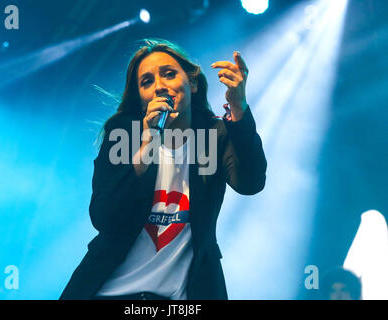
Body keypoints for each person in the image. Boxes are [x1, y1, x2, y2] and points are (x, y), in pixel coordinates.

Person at [60, 39, 267, 300]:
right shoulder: (123, 134)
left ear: (191, 83)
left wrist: (239, 108)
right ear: (141, 97)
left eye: (169, 74)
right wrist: (148, 140)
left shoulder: (214, 135)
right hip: (110, 292)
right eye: (147, 82)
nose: (159, 86)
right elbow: (105, 218)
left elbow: (250, 183)